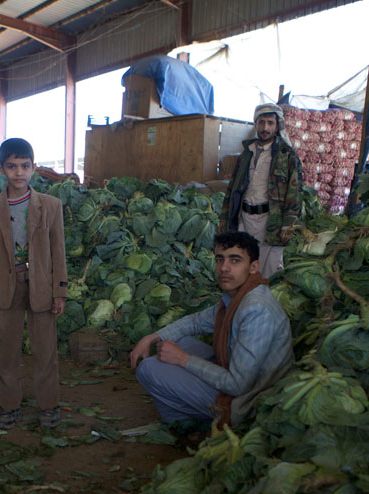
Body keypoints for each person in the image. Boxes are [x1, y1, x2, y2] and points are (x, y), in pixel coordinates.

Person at [130, 231, 293, 428]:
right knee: (177, 342)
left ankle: (188, 424)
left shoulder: (256, 309)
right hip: (240, 375)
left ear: (253, 267)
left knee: (149, 369)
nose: (224, 268)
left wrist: (183, 359)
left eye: (235, 261)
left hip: (249, 402)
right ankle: (189, 416)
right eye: (219, 259)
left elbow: (238, 385)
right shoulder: (239, 296)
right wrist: (152, 337)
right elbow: (197, 322)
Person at [0, 138, 68, 430]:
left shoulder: (50, 206)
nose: (19, 172)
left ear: (34, 168)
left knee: (45, 349)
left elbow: (58, 251)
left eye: (25, 166)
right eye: (12, 166)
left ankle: (48, 405)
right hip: (5, 286)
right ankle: (8, 404)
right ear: (1, 169)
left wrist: (60, 291)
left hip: (41, 284)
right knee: (6, 349)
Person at [220, 103, 304, 278]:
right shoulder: (246, 154)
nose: (265, 128)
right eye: (262, 122)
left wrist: (288, 224)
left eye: (270, 123)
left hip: (270, 221)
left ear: (277, 126)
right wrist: (225, 217)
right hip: (244, 218)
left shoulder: (286, 156)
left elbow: (294, 193)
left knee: (268, 272)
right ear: (256, 124)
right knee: (242, 267)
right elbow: (232, 189)